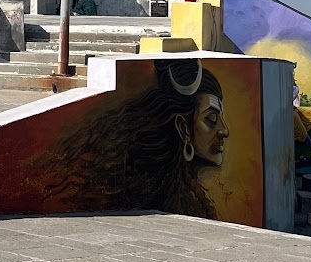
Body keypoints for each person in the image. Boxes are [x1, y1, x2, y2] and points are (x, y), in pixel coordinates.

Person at [42, 58, 230, 219]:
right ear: (183, 128)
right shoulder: (159, 195)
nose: (225, 130)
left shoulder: (184, 193)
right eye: (211, 119)